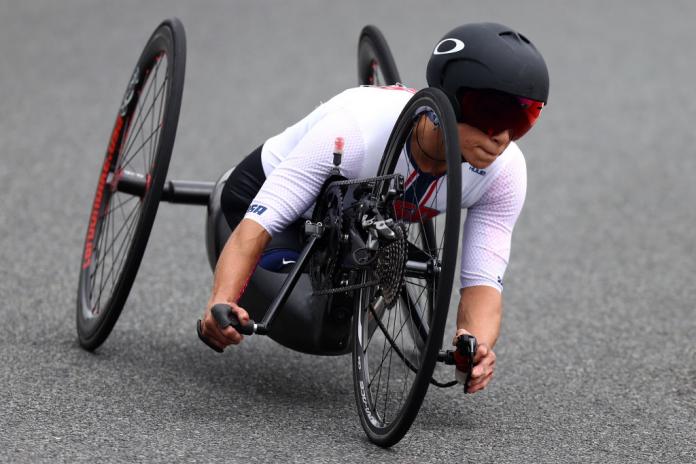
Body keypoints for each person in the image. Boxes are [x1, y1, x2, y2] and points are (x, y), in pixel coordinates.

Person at [198, 22, 549, 394]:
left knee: (339, 311)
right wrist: (220, 301)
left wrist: (474, 344)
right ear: (448, 99)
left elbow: (483, 282)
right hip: (266, 206)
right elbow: (257, 226)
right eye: (491, 112)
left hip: (349, 221)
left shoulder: (505, 172)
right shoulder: (355, 133)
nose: (503, 136)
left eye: (522, 119)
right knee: (305, 321)